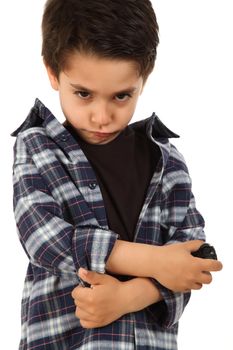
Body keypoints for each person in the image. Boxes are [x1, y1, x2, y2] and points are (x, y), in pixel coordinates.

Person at [11, 0, 222, 349]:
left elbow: (195, 259)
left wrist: (130, 297)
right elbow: (43, 239)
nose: (101, 116)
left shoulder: (166, 161)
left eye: (121, 96)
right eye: (83, 94)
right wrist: (154, 261)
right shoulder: (37, 145)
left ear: (144, 79)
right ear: (52, 72)